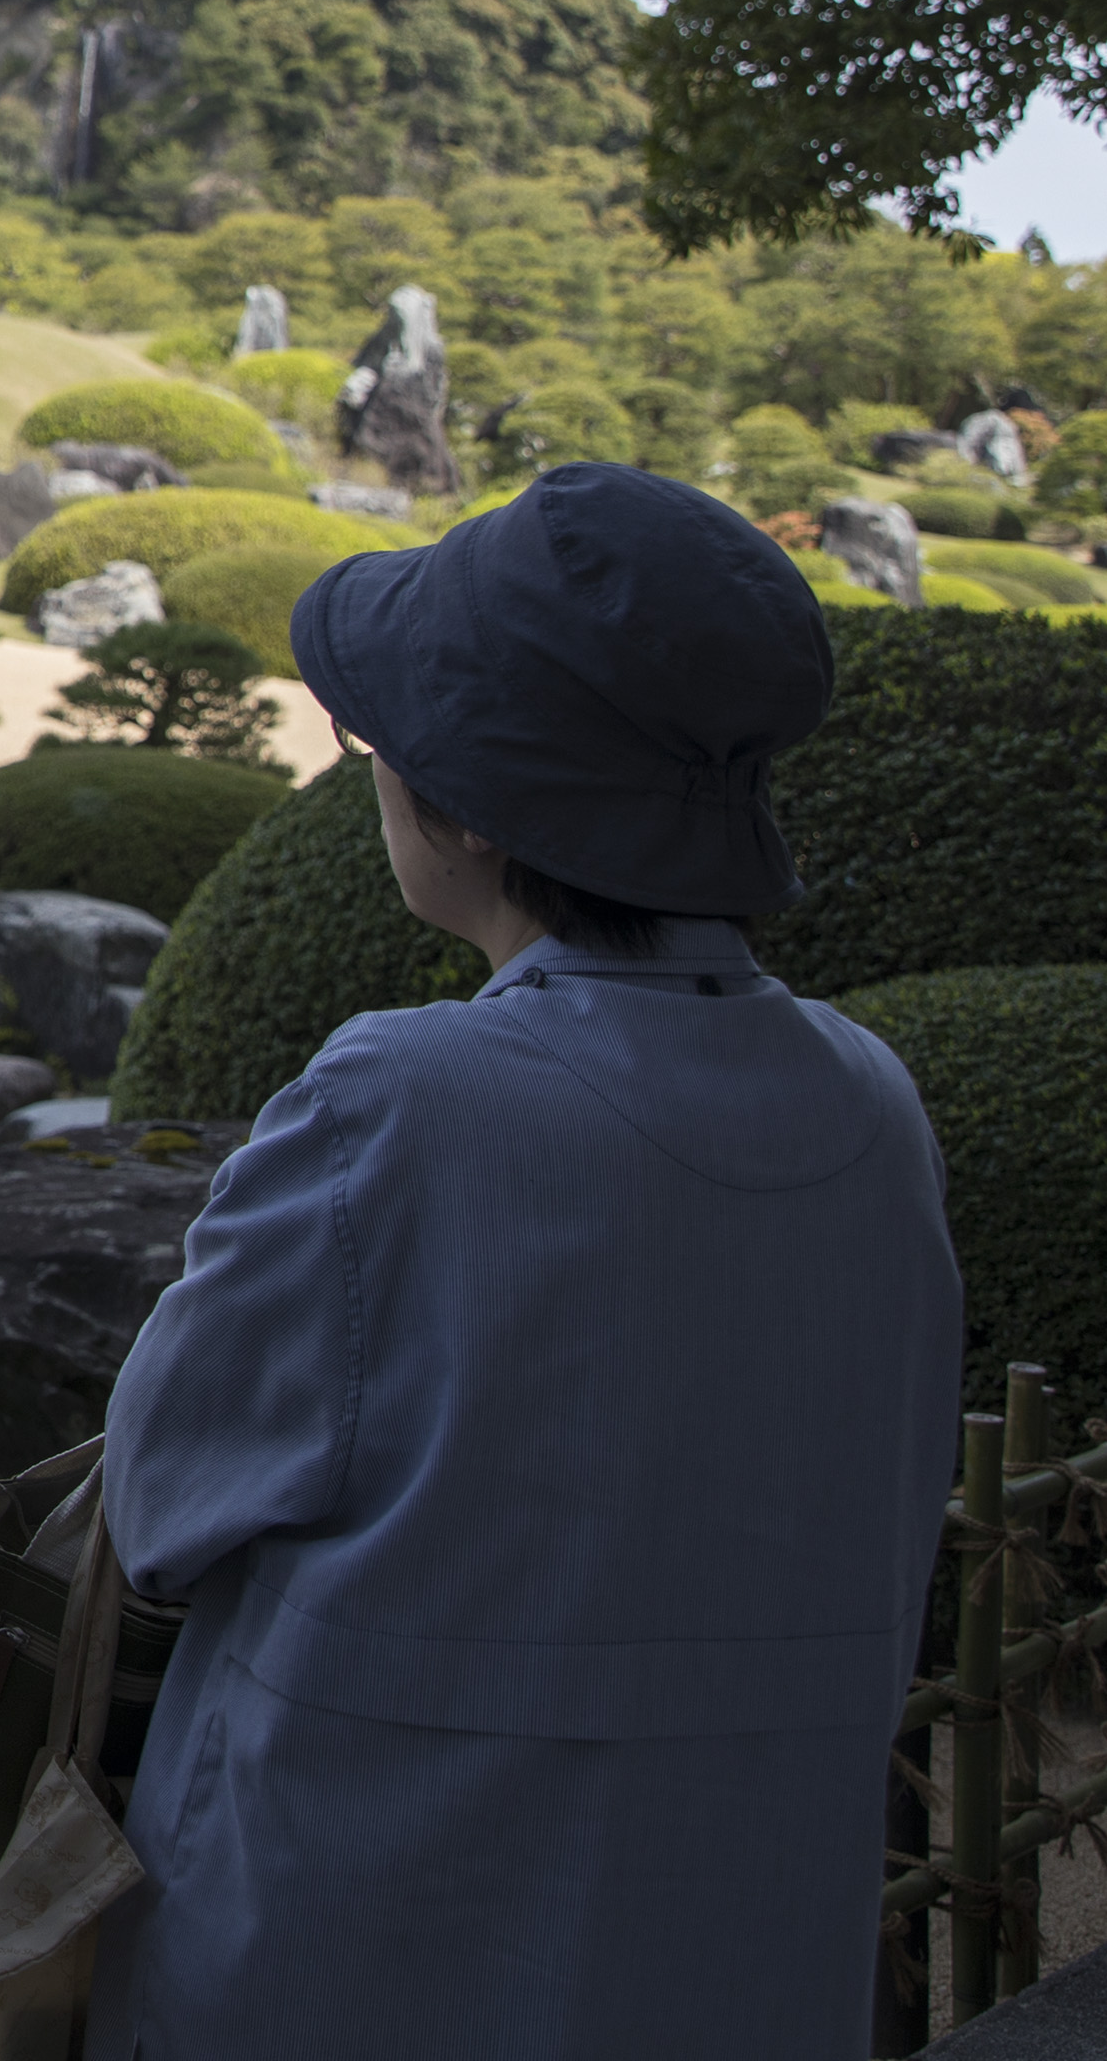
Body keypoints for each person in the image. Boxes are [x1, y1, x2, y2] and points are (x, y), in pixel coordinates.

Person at [94, 460, 964, 2058]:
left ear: (474, 806)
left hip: (367, 1936)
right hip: (744, 1948)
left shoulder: (399, 1102)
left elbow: (163, 1503)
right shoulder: (871, 1100)